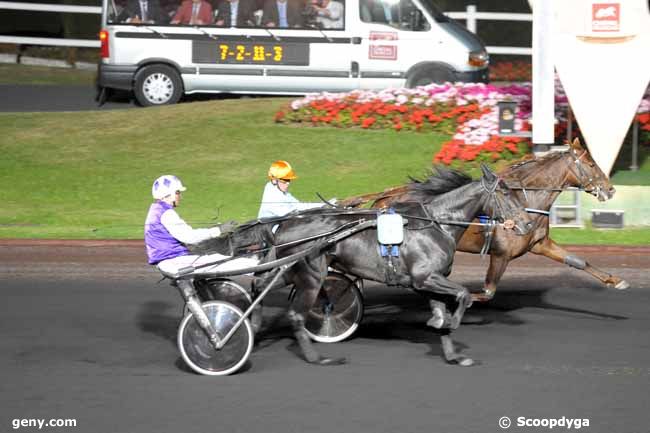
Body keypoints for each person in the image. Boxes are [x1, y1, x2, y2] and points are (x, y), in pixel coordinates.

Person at [145, 174, 258, 277]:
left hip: (171, 260)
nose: (181, 196)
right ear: (168, 195)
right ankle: (263, 269)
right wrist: (218, 230)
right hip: (174, 262)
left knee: (216, 257)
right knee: (230, 262)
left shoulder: (156, 210)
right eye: (178, 192)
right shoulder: (166, 214)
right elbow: (190, 237)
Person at [258, 160, 329, 219]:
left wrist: (322, 205)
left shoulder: (281, 191)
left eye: (288, 180)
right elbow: (288, 213)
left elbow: (299, 205)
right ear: (274, 180)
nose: (288, 183)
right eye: (284, 180)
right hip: (268, 231)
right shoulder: (272, 195)